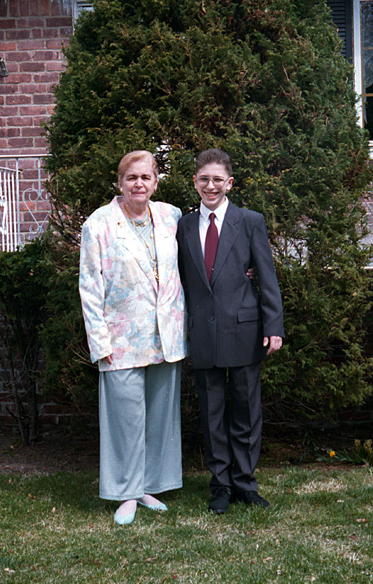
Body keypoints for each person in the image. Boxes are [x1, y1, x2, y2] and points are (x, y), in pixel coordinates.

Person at [79, 150, 187, 526]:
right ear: (119, 183)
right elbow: (89, 288)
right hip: (120, 338)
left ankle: (147, 487)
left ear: (156, 182)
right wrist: (99, 343)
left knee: (159, 416)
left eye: (145, 177)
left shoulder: (171, 217)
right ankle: (125, 493)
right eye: (131, 178)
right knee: (125, 419)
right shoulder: (99, 224)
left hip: (165, 334)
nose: (138, 184)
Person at [177, 148, 284, 514]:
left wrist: (274, 326)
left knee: (246, 410)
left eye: (217, 180)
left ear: (230, 183)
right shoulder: (184, 226)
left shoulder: (249, 221)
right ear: (195, 182)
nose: (211, 185)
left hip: (244, 329)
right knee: (211, 413)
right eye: (204, 179)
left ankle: (245, 483)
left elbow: (266, 276)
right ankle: (220, 484)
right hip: (203, 331)